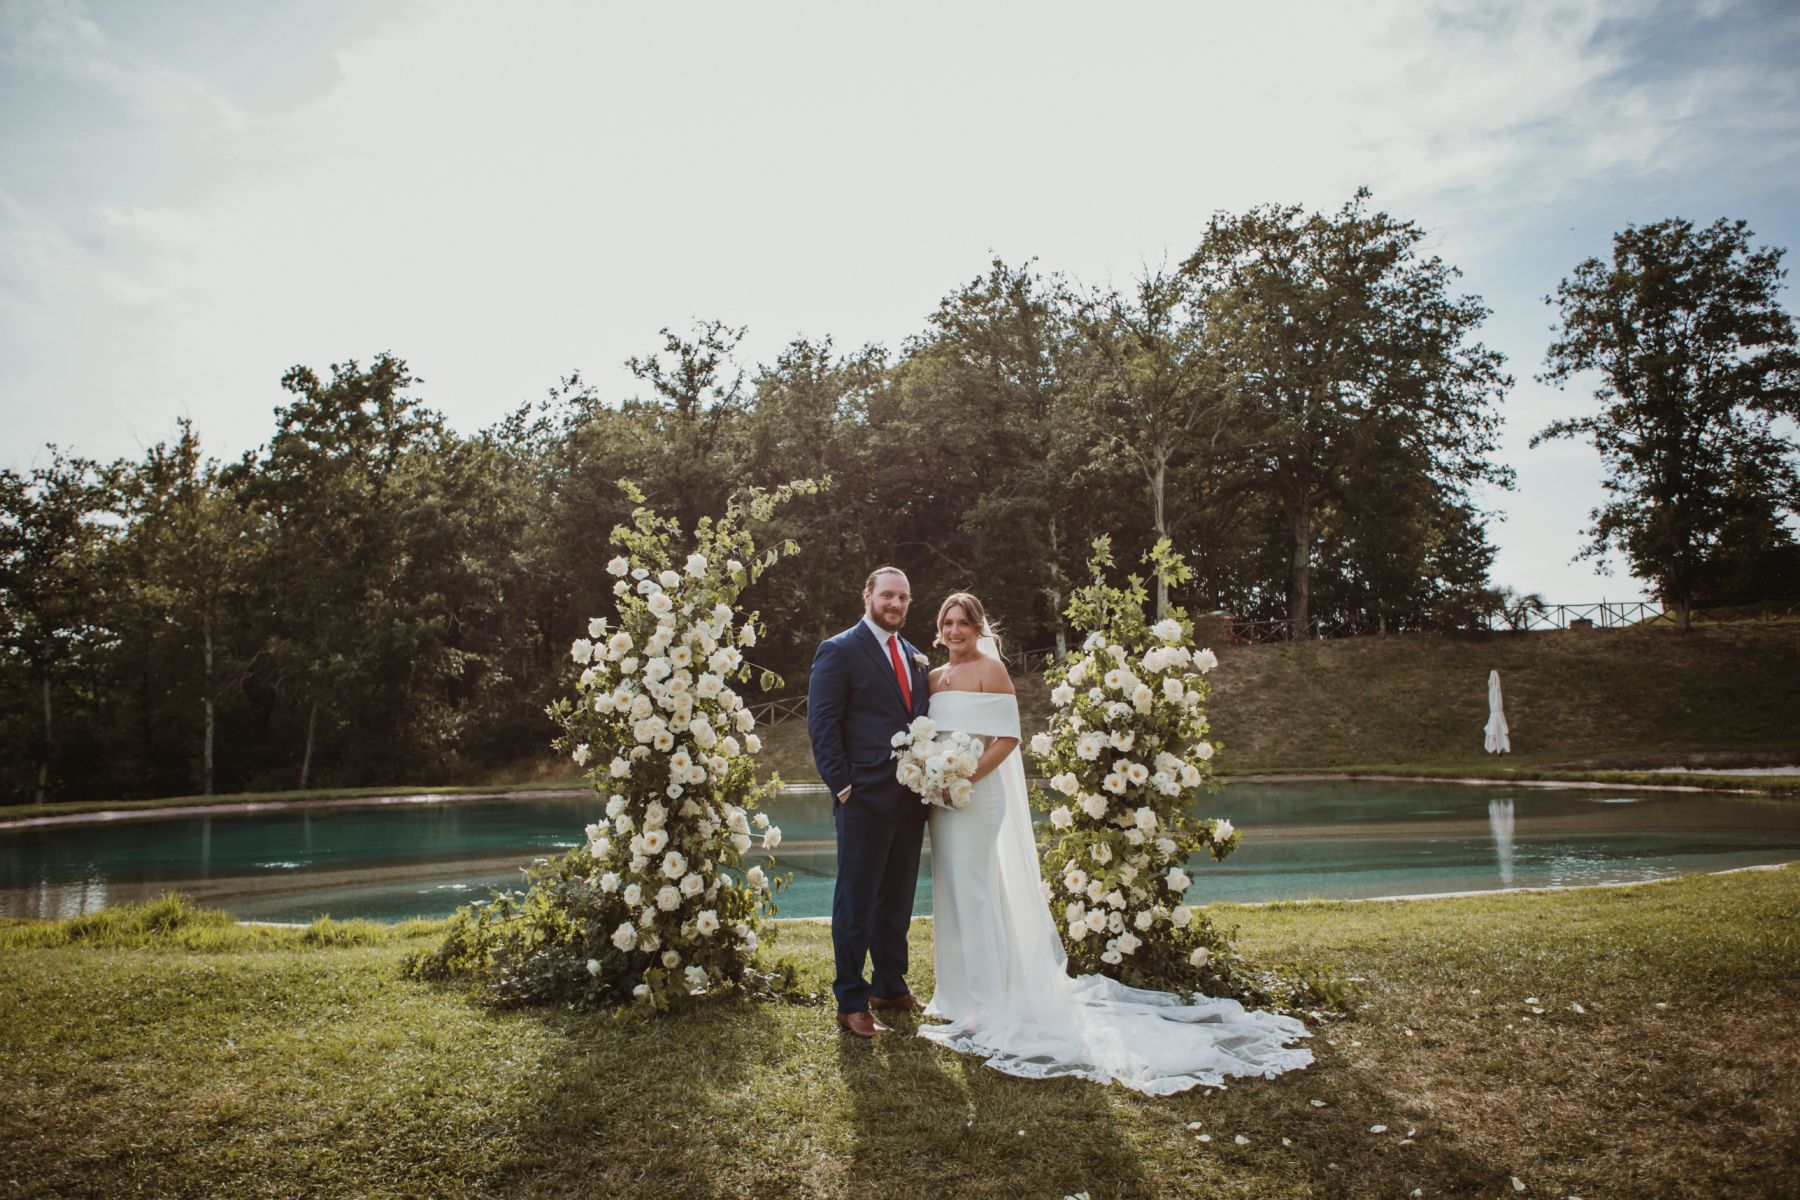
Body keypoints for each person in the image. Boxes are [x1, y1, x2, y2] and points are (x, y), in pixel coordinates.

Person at [918, 590, 1313, 1094]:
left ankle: (987, 1000)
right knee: (951, 888)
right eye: (948, 623)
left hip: (978, 793)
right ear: (939, 628)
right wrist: (933, 775)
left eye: (963, 623)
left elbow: (1008, 739)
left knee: (974, 889)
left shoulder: (989, 671)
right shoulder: (934, 677)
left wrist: (966, 776)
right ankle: (955, 997)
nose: (954, 631)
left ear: (978, 629)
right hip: (942, 799)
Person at [805, 567, 932, 1038]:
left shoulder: (915, 655)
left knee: (897, 900)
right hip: (861, 799)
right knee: (855, 903)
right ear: (868, 597)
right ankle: (850, 1001)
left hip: (909, 799)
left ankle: (890, 985)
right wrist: (842, 786)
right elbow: (822, 723)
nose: (895, 604)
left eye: (903, 597)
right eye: (887, 596)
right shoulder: (839, 650)